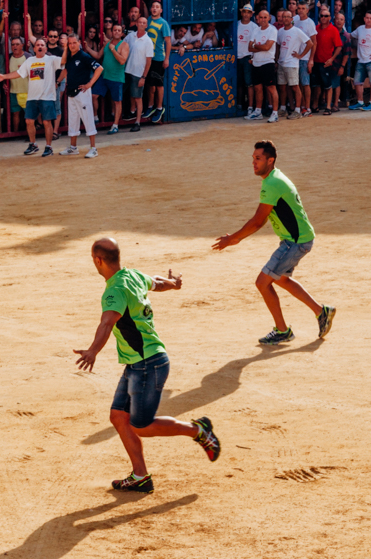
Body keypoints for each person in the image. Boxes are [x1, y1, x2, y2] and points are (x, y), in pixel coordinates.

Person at [75, 237, 221, 494]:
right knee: (119, 417)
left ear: (98, 260)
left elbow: (107, 323)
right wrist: (174, 284)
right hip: (140, 363)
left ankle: (198, 430)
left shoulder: (114, 291)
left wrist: (93, 350)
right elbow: (155, 282)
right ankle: (140, 476)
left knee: (141, 426)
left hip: (147, 364)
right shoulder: (131, 275)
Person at [212, 140, 335, 346]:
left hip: (295, 243)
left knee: (263, 282)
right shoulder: (273, 178)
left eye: (258, 159)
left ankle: (282, 330)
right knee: (281, 279)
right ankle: (321, 312)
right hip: (297, 239)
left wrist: (233, 239)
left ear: (271, 160)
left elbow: (258, 221)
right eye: (253, 158)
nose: (254, 162)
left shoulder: (272, 184)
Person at [0, 38, 64, 156]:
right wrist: (4, 77)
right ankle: (33, 145)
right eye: (37, 45)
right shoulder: (30, 60)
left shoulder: (52, 59)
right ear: (34, 48)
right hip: (32, 97)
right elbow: (19, 73)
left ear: (46, 48)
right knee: (29, 121)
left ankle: (48, 146)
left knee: (47, 122)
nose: (40, 46)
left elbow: (64, 62)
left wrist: (67, 47)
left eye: (42, 45)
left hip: (47, 97)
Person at [59, 34, 102, 158]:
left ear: (79, 43)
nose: (72, 45)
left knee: (88, 118)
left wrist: (89, 84)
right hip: (71, 92)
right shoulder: (69, 56)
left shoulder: (84, 56)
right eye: (69, 43)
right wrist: (57, 82)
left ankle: (93, 148)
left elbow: (99, 69)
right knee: (72, 120)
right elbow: (64, 68)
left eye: (74, 43)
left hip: (82, 93)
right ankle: (73, 147)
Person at [276, 11, 312, 120]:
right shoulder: (280, 31)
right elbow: (278, 46)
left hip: (292, 63)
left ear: (292, 18)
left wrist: (300, 55)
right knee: (282, 87)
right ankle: (283, 109)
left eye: (288, 17)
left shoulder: (297, 31)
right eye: (284, 17)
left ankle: (297, 110)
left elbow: (310, 43)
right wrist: (277, 60)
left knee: (295, 87)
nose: (286, 19)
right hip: (281, 63)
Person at [94, 23, 129, 134]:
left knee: (117, 102)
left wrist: (113, 50)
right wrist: (87, 49)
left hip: (116, 77)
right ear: (112, 32)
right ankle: (95, 117)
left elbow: (122, 61)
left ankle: (115, 125)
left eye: (119, 30)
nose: (117, 32)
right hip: (104, 75)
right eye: (115, 30)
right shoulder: (107, 43)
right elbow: (98, 56)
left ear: (122, 33)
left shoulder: (124, 45)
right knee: (93, 95)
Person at [246, 10, 279, 122]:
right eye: (261, 17)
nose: (263, 20)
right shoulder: (255, 30)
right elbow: (249, 48)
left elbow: (267, 47)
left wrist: (256, 45)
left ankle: (275, 114)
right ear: (258, 18)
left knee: (271, 88)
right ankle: (258, 112)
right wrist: (259, 46)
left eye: (265, 17)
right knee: (257, 88)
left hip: (267, 63)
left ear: (269, 18)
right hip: (256, 63)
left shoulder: (272, 30)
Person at [122, 16, 153, 131]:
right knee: (127, 95)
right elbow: (121, 46)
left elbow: (149, 61)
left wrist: (143, 77)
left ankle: (137, 122)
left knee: (137, 97)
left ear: (146, 25)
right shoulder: (130, 36)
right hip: (126, 71)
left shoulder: (148, 41)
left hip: (138, 73)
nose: (141, 24)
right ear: (136, 24)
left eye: (143, 23)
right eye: (139, 22)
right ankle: (129, 114)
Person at [143, 1, 171, 123]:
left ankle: (159, 108)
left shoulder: (163, 23)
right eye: (153, 7)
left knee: (159, 85)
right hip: (148, 58)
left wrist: (167, 58)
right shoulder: (148, 20)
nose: (154, 9)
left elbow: (168, 42)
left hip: (159, 57)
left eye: (157, 7)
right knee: (150, 84)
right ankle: (150, 107)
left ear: (161, 10)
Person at [310, 7, 342, 115]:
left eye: (326, 16)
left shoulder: (333, 30)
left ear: (329, 18)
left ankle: (328, 107)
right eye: (321, 16)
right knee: (316, 85)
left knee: (328, 85)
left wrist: (332, 59)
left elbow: (339, 46)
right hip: (316, 61)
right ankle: (315, 105)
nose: (323, 18)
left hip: (326, 62)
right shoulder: (316, 28)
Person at [293, 1, 317, 116]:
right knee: (299, 84)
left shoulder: (310, 23)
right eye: (299, 8)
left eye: (303, 8)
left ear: (307, 10)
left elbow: (314, 42)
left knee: (305, 83)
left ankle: (307, 108)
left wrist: (310, 59)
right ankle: (301, 106)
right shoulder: (295, 20)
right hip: (295, 57)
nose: (301, 10)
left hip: (305, 58)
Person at [237, 5, 259, 117]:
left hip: (247, 57)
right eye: (244, 12)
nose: (246, 14)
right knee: (239, 83)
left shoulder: (254, 27)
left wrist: (253, 57)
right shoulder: (236, 24)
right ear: (241, 13)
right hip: (236, 57)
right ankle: (239, 105)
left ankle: (250, 107)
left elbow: (256, 44)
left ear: (251, 14)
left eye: (248, 12)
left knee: (249, 83)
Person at [6, 38, 29, 132]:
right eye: (12, 44)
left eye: (17, 44)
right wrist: (5, 83)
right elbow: (6, 73)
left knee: (28, 114)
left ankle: (29, 133)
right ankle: (15, 133)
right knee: (15, 113)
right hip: (13, 91)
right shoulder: (9, 57)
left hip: (26, 91)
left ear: (22, 45)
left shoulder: (27, 57)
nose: (14, 46)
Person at [331, 11, 351, 110]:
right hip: (327, 61)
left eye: (341, 19)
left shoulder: (346, 36)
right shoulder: (330, 31)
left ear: (344, 22)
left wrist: (342, 66)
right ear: (334, 20)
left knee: (336, 83)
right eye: (337, 19)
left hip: (338, 63)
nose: (339, 21)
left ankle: (335, 104)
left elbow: (346, 53)